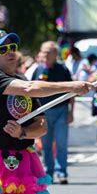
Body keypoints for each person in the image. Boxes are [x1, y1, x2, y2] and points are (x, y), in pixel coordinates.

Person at [0, 30, 93, 194]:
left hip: (22, 162)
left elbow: (42, 126)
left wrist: (23, 132)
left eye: (12, 47)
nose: (10, 52)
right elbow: (29, 88)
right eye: (3, 49)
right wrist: (71, 86)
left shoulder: (22, 79)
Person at [29, 41, 73, 184]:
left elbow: (72, 90)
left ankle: (62, 172)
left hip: (61, 110)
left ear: (55, 54)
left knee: (61, 143)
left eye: (49, 52)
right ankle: (48, 172)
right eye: (44, 52)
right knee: (46, 144)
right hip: (43, 112)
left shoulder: (63, 69)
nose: (45, 55)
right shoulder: (38, 70)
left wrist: (71, 111)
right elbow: (30, 90)